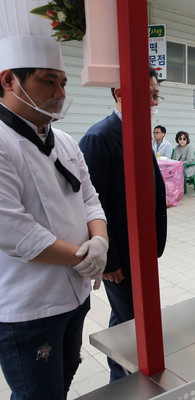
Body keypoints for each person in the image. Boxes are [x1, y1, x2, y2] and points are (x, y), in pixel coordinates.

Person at [0, 7, 108, 398]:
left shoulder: (63, 141)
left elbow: (91, 199)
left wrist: (100, 242)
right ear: (9, 80)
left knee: (59, 387)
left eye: (63, 82)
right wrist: (86, 257)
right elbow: (15, 232)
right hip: (28, 308)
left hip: (74, 296)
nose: (61, 94)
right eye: (49, 82)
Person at [79, 68, 168, 382]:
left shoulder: (138, 130)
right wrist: (110, 260)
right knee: (131, 321)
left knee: (129, 318)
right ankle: (124, 378)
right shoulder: (100, 137)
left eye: (157, 94)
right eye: (151, 94)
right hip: (120, 253)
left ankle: (125, 375)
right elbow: (91, 204)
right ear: (120, 94)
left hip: (142, 248)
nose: (155, 101)